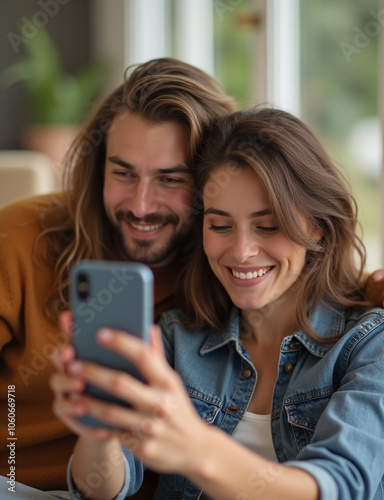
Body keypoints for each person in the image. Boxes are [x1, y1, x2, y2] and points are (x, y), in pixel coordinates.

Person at [52, 107, 384, 500]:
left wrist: (197, 449)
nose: (241, 252)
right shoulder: (179, 339)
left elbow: (340, 486)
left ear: (318, 226)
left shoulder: (367, 345)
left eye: (268, 225)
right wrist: (99, 431)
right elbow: (103, 488)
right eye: (220, 225)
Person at [0, 57, 236, 493]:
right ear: (98, 167)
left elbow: (327, 281)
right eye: (123, 173)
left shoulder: (233, 265)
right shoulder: (17, 237)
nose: (141, 205)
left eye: (169, 179)